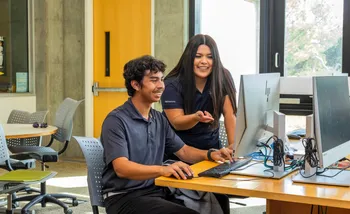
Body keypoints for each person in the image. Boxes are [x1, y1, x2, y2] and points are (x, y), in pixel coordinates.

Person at [100, 55, 233, 214]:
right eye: (154, 80)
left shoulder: (158, 119)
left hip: (156, 191)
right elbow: (122, 168)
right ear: (135, 84)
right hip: (124, 197)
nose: (161, 85)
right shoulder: (116, 120)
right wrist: (163, 170)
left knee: (219, 199)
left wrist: (211, 154)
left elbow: (184, 151)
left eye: (161, 79)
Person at [161, 34, 237, 158]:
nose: (204, 61)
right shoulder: (171, 84)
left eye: (210, 57)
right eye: (198, 56)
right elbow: (177, 122)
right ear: (189, 58)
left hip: (213, 152)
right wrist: (196, 118)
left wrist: (234, 145)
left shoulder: (223, 77)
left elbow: (230, 114)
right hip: (179, 155)